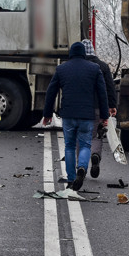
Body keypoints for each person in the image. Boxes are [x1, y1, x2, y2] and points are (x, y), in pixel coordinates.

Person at [43, 41, 109, 191]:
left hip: (68, 114)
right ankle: (82, 168)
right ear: (84, 54)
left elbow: (51, 92)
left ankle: (72, 178)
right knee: (86, 144)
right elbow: (102, 94)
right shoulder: (94, 69)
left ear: (71, 53)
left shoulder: (62, 69)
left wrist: (47, 114)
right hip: (87, 115)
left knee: (70, 146)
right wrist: (104, 116)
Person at [80, 39, 117, 178]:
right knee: (96, 135)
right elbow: (110, 88)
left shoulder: (78, 66)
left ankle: (81, 167)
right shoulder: (103, 66)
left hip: (81, 108)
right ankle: (95, 155)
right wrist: (112, 106)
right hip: (98, 108)